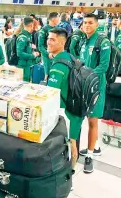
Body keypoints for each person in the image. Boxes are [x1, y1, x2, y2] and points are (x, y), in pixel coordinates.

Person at [46, 28, 82, 177]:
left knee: (70, 145)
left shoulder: (59, 66)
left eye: (52, 39)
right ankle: (71, 171)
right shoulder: (70, 57)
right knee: (74, 141)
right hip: (77, 107)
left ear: (62, 42)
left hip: (66, 112)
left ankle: (68, 175)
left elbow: (50, 93)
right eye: (48, 38)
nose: (48, 41)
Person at [79, 13, 111, 173]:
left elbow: (104, 66)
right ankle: (95, 146)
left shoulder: (103, 42)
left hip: (96, 87)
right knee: (85, 118)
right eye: (85, 22)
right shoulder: (84, 41)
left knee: (93, 121)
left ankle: (90, 155)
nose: (87, 25)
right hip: (83, 85)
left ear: (97, 25)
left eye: (90, 23)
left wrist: (87, 76)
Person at [16, 17, 40, 82]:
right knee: (23, 85)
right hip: (23, 67)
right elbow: (19, 53)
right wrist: (33, 55)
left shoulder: (28, 36)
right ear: (31, 25)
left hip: (28, 65)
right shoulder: (23, 37)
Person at [38, 12, 60, 78]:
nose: (59, 19)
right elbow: (40, 46)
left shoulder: (58, 29)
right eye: (58, 17)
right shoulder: (44, 30)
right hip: (48, 57)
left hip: (56, 56)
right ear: (53, 19)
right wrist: (48, 53)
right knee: (48, 76)